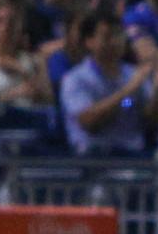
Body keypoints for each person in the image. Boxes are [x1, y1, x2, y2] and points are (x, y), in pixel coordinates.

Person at [60, 12, 151, 156]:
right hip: (93, 157)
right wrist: (127, 92)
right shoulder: (75, 79)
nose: (115, 42)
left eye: (119, 35)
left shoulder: (133, 74)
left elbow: (149, 118)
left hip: (134, 154)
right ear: (89, 41)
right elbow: (88, 122)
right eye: (107, 36)